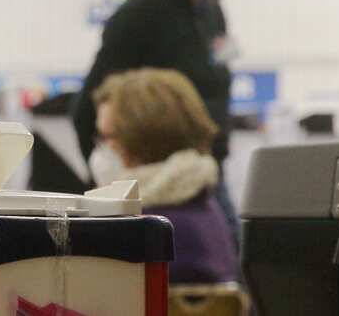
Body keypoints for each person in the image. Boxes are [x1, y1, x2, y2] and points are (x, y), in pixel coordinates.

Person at [72, 0, 236, 229]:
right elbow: (87, 110)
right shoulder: (138, 15)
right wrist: (111, 188)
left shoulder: (212, 9)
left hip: (208, 174)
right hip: (163, 192)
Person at [91, 69, 239, 285]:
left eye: (107, 137)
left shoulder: (150, 231)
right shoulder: (199, 204)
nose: (101, 148)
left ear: (142, 139)